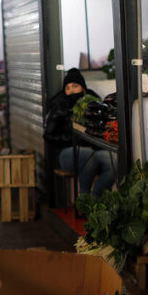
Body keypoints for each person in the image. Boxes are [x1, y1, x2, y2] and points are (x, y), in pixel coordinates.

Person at [44, 68, 115, 198]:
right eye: (67, 88)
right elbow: (48, 135)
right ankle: (84, 197)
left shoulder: (94, 104)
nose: (71, 91)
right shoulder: (59, 106)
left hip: (94, 149)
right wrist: (72, 139)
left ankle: (94, 199)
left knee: (114, 161)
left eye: (75, 86)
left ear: (83, 89)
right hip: (66, 153)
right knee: (88, 154)